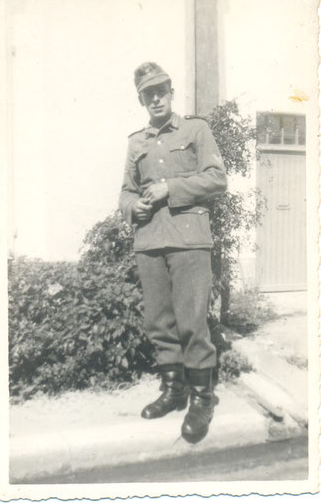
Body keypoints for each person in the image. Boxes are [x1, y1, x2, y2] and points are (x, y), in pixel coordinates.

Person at [119, 62, 227, 443]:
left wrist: (170, 189)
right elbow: (126, 192)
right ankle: (174, 390)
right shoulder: (137, 142)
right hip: (150, 241)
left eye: (161, 90)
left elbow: (217, 179)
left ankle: (202, 398)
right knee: (159, 322)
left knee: (192, 322)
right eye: (148, 93)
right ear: (141, 100)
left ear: (171, 92)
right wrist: (135, 208)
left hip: (189, 240)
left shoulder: (195, 129)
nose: (155, 98)